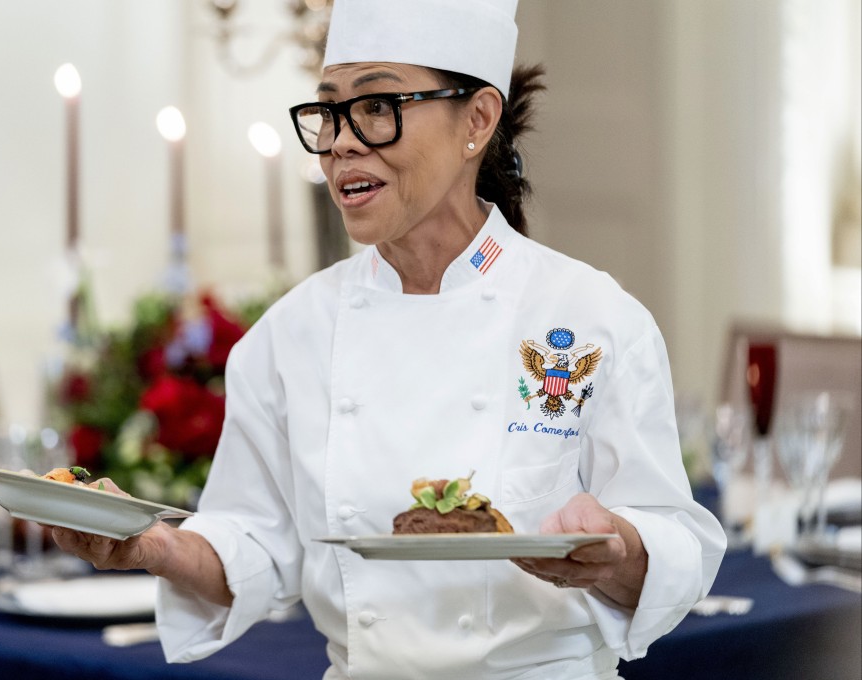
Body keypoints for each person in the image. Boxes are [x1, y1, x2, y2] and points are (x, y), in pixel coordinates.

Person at [52, 1, 726, 677]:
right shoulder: (290, 335)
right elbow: (253, 541)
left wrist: (619, 549)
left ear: (478, 121)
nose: (342, 142)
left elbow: (676, 545)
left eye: (378, 106)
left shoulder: (591, 315)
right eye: (329, 111)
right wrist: (155, 548)